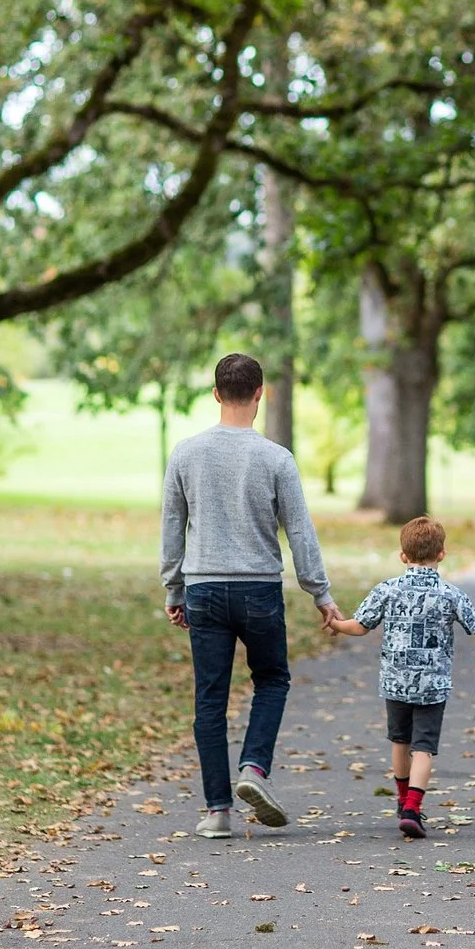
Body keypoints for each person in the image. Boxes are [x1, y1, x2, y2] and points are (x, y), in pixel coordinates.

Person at [162, 352, 338, 840]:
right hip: (259, 589)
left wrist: (174, 587)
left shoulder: (185, 453)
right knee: (273, 681)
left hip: (203, 588)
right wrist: (320, 594)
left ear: (216, 394)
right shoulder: (277, 459)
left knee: (210, 699)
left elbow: (172, 527)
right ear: (260, 394)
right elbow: (300, 533)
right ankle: (254, 769)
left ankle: (217, 810)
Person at [329, 515, 475, 841]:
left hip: (395, 682)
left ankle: (403, 802)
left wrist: (334, 623)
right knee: (424, 748)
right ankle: (413, 809)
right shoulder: (450, 594)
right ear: (442, 554)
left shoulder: (387, 589)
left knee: (400, 741)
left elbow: (359, 626)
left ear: (403, 556)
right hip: (432, 685)